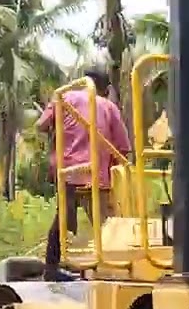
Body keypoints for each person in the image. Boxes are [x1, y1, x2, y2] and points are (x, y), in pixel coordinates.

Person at [35, 66, 132, 281]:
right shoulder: (109, 107)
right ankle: (111, 266)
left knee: (62, 218)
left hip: (68, 171)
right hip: (97, 175)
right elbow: (123, 148)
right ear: (105, 88)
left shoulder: (64, 97)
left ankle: (51, 267)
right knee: (104, 223)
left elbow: (41, 125)